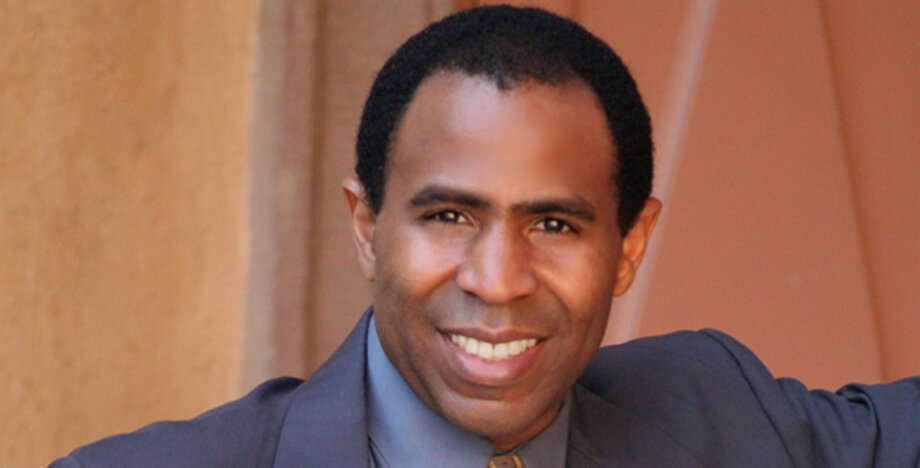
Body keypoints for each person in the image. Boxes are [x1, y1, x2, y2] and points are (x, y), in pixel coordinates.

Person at [51, 6, 919, 467]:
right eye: (449, 216)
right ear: (367, 227)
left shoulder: (723, 413)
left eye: (553, 224)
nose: (498, 279)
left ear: (628, 247)